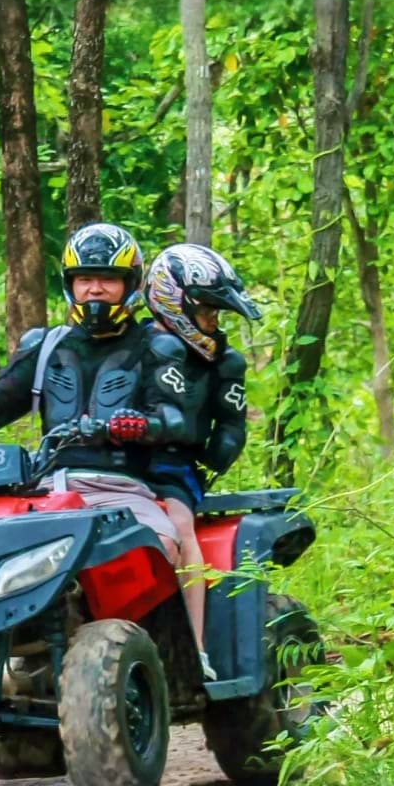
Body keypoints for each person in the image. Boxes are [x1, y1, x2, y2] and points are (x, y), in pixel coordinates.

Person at [0, 222, 192, 560]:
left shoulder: (157, 346)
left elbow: (173, 418)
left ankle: (158, 616)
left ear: (130, 284)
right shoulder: (47, 345)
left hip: (121, 491)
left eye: (108, 279)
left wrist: (139, 424)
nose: (95, 289)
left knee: (161, 545)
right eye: (85, 279)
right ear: (71, 285)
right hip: (47, 488)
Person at [142, 243, 262, 680]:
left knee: (179, 524)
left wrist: (208, 466)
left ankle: (194, 651)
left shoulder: (223, 361)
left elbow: (231, 426)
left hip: (175, 470)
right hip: (111, 465)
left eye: (217, 313)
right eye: (208, 311)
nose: (213, 322)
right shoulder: (134, 344)